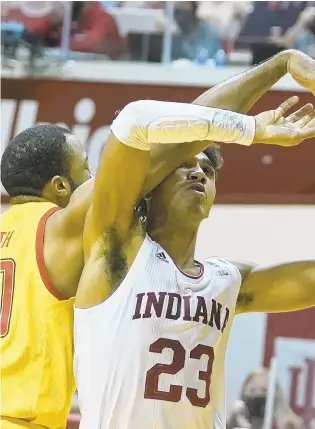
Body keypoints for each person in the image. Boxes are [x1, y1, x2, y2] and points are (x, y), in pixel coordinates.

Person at [1, 49, 314, 429]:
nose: (97, 181)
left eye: (206, 170)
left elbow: (177, 139)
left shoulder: (225, 279)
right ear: (62, 187)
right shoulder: (78, 232)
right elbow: (164, 134)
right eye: (88, 171)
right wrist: (253, 113)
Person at [73, 89, 315, 428]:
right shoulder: (117, 254)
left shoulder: (227, 281)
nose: (199, 173)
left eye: (207, 169)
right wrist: (279, 69)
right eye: (183, 166)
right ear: (153, 183)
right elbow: (129, 129)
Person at [227, 368, 303, 429]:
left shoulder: (285, 423)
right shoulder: (236, 420)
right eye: (252, 390)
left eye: (264, 390)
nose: (258, 394)